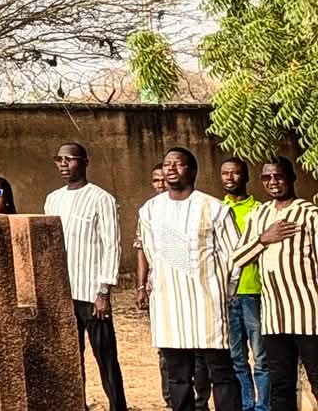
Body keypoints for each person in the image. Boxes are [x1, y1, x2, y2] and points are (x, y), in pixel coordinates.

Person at [137, 146, 241, 411]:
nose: (171, 169)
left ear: (193, 171)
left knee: (221, 374)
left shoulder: (213, 208)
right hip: (169, 309)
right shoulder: (149, 210)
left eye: (178, 164)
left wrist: (223, 293)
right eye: (167, 164)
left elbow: (235, 256)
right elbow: (151, 253)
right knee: (177, 376)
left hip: (207, 307)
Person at [227, 158, 318, 411]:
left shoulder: (309, 214)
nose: (273, 182)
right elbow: (237, 258)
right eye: (266, 178)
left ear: (291, 178)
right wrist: (264, 239)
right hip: (274, 317)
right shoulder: (260, 214)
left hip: (309, 315)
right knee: (280, 385)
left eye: (278, 176)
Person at [44, 144, 124, 410]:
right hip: (63, 292)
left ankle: (117, 406)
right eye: (59, 159)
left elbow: (111, 245)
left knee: (105, 355)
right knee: (69, 356)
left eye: (70, 159)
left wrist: (103, 292)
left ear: (85, 162)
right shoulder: (52, 199)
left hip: (91, 293)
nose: (63, 164)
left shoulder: (102, 199)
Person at [220, 158, 270, 411]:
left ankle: (263, 406)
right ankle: (247, 404)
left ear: (245, 177)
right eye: (225, 173)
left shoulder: (260, 210)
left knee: (261, 356)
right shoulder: (216, 210)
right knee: (236, 357)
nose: (230, 178)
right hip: (226, 295)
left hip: (254, 291)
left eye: (235, 173)